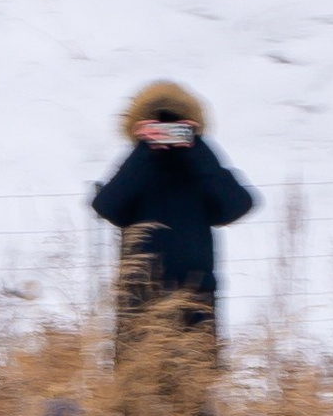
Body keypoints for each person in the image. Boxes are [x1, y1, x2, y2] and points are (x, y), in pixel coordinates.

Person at [91, 82, 255, 356]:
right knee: (138, 387)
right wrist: (144, 151)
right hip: (140, 295)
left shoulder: (201, 170)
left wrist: (197, 148)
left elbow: (237, 205)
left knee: (194, 389)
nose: (166, 134)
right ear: (140, 129)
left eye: (177, 127)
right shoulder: (138, 168)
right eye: (156, 127)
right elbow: (106, 206)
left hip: (195, 297)